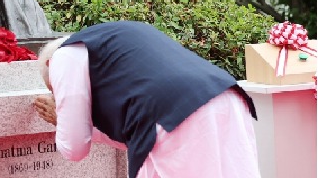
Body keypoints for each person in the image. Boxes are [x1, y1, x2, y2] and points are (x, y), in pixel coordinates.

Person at [34, 21, 261, 178]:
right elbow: (135, 135)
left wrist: (63, 119)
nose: (59, 98)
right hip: (226, 97)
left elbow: (74, 149)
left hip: (177, 115)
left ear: (49, 65)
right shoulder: (115, 42)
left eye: (56, 90)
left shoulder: (64, 56)